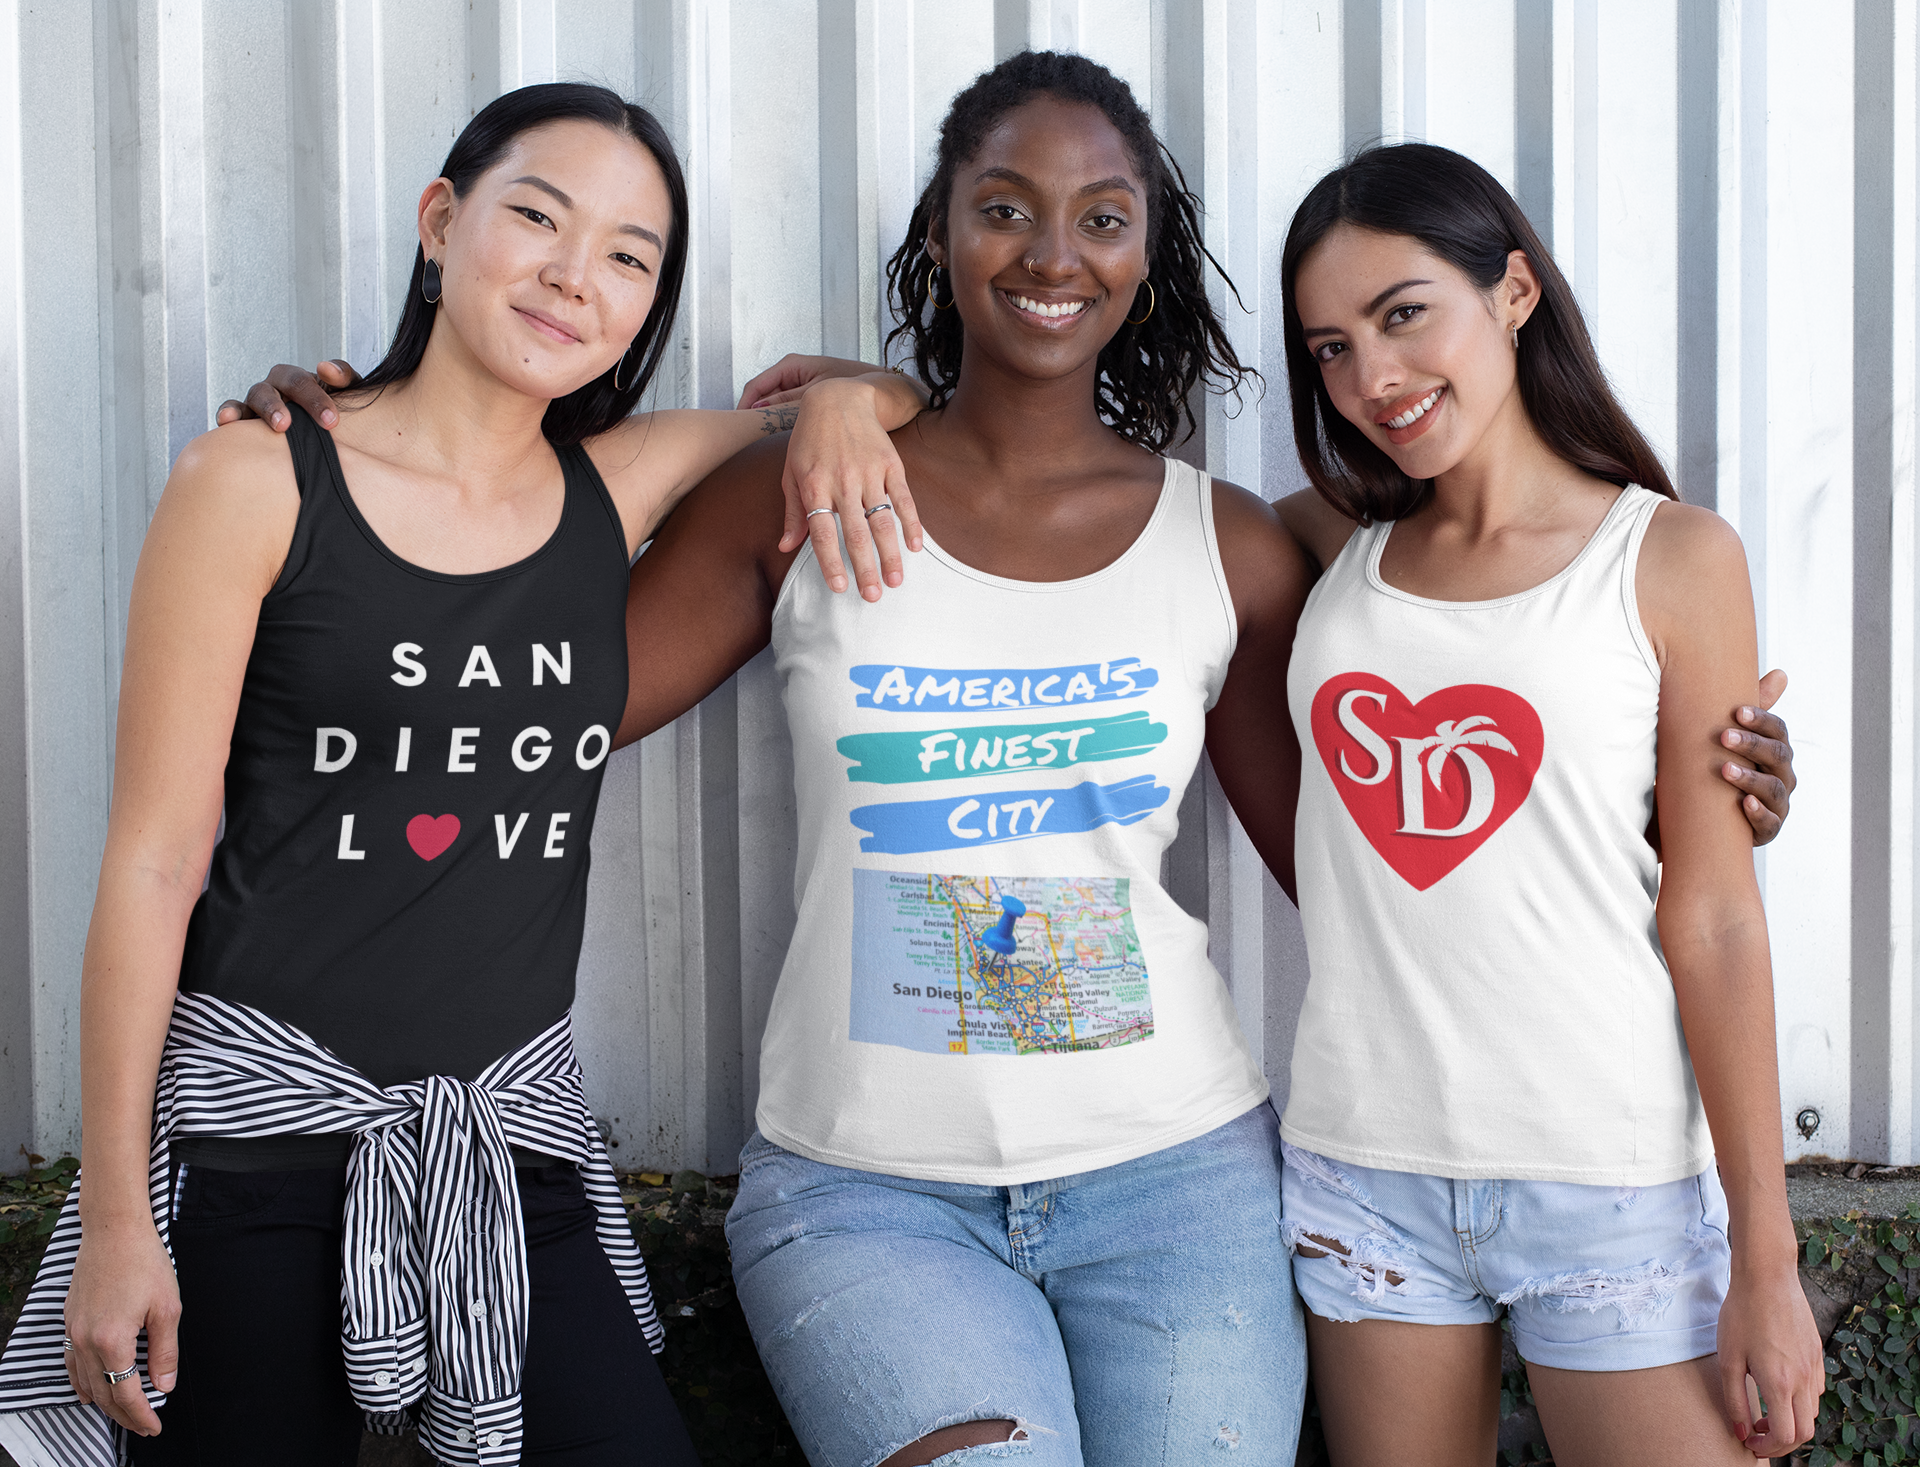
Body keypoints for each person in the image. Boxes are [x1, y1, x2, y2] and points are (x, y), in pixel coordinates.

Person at [229, 56, 1801, 1467]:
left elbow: (1374, 823)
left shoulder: (1231, 543)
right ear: (940, 239)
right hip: (864, 1193)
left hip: (1181, 1182)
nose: (1053, 253)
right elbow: (544, 695)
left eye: (1102, 218)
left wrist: (1693, 785)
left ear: (1146, 259)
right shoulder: (808, 501)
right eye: (1004, 209)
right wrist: (370, 459)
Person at [0, 83, 922, 1467]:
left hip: (508, 1146)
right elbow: (151, 863)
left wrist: (852, 399)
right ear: (442, 224)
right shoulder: (255, 482)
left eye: (628, 255)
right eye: (536, 218)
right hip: (256, 1147)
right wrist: (120, 1213)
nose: (574, 275)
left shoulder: (615, 489)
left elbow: (896, 400)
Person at [1271, 142, 1823, 1466]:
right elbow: (1098, 502)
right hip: (1366, 1171)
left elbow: (1718, 921)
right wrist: (879, 402)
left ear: (1514, 290)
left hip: (1609, 1172)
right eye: (1333, 348)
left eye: (1406, 315)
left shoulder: (1673, 556)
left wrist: (1768, 1253)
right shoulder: (1329, 545)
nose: (1375, 381)